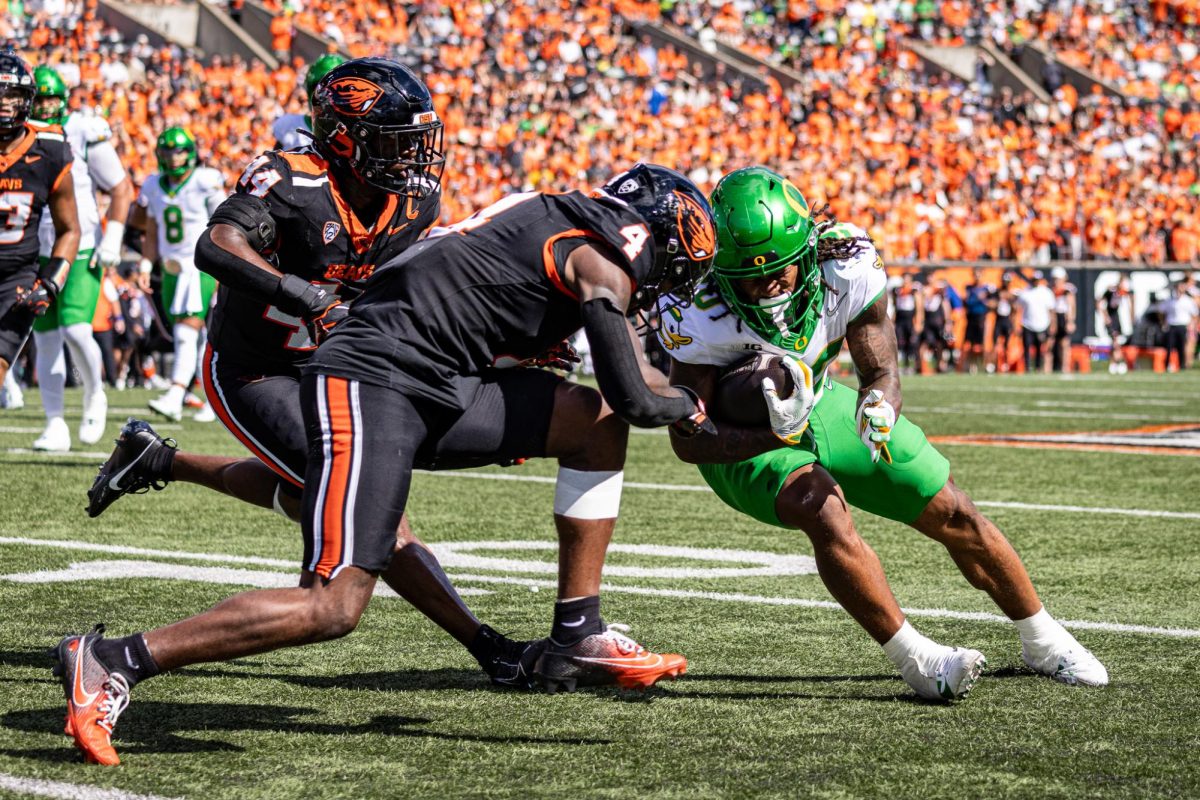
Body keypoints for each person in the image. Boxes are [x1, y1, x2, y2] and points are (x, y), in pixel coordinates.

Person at [56, 160, 712, 765]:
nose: (665, 283)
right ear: (649, 234)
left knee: (592, 426)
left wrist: (683, 397)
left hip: (430, 378)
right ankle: (115, 659)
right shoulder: (602, 257)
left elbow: (626, 385)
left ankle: (575, 633)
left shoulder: (570, 224)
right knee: (334, 605)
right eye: (675, 267)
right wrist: (696, 404)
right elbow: (636, 395)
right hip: (373, 381)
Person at [84, 58, 537, 708]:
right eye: (395, 143)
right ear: (347, 137)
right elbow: (216, 247)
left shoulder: (414, 203)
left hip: (340, 371)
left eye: (416, 144)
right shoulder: (293, 183)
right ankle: (487, 646)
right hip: (255, 368)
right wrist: (307, 296)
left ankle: (160, 459)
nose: (412, 161)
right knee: (370, 516)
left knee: (321, 498)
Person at [660, 167, 1107, 702]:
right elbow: (688, 440)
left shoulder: (845, 263)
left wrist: (879, 406)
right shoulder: (694, 303)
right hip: (741, 439)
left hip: (822, 400)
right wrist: (772, 436)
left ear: (807, 250)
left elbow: (882, 371)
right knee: (820, 505)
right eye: (752, 277)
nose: (770, 286)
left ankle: (1042, 637)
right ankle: (918, 660)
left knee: (952, 508)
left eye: (782, 269)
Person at [28, 65, 134, 450]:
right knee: (46, 339)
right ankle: (54, 422)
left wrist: (115, 237)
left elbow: (121, 188)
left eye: (50, 98)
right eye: (38, 99)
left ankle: (95, 392)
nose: (44, 106)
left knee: (75, 329)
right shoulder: (16, 135)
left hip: (81, 243)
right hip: (33, 247)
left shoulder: (84, 130)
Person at [0, 54, 81, 407]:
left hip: (14, 278)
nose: (4, 103)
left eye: (12, 94)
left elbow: (69, 229)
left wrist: (51, 282)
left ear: (27, 100)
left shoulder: (49, 152)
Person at [134, 127, 226, 422]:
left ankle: (174, 394)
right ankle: (202, 396)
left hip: (199, 265)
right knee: (189, 334)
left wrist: (224, 265)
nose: (174, 158)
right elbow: (151, 230)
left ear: (190, 153)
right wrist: (147, 264)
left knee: (186, 331)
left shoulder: (204, 180)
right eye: (167, 152)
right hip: (170, 267)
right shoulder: (153, 185)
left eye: (180, 152)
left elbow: (225, 224)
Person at [272, 52, 345, 150]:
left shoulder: (351, 135)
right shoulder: (288, 124)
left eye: (335, 89)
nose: (326, 97)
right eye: (320, 88)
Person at [1018, 271, 1055, 373]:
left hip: (1042, 323)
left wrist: (1053, 325)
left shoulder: (1046, 292)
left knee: (1040, 348)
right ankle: (1027, 367)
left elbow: (1051, 310)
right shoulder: (1025, 292)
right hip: (1027, 323)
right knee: (1027, 347)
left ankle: (1039, 367)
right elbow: (1017, 307)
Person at [1161, 281, 1198, 372]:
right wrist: (1163, 322)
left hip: (1183, 326)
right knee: (1169, 346)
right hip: (1172, 325)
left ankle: (1182, 366)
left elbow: (1195, 314)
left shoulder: (1188, 301)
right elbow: (1162, 311)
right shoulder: (1170, 300)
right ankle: (1167, 365)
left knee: (1182, 347)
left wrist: (1192, 325)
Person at [1098, 275, 1131, 374]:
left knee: (1115, 343)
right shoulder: (1111, 291)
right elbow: (1100, 302)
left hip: (1116, 318)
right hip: (1111, 318)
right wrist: (1105, 316)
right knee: (1115, 342)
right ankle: (1120, 362)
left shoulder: (1122, 292)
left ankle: (1113, 363)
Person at [961, 268, 992, 374]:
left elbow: (993, 303)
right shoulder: (969, 288)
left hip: (982, 318)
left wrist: (985, 300)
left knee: (983, 344)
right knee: (970, 344)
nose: (977, 277)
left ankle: (985, 365)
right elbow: (967, 301)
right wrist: (977, 298)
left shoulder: (987, 288)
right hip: (971, 318)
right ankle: (971, 365)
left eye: (979, 274)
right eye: (975, 274)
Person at [891, 271, 921, 374]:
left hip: (910, 318)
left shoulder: (913, 290)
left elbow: (918, 307)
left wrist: (918, 321)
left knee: (912, 342)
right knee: (901, 341)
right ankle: (905, 364)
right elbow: (895, 305)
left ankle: (915, 365)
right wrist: (893, 320)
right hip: (900, 318)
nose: (906, 281)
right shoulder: (898, 290)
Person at [1049, 266, 1076, 373]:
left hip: (1063, 317)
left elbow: (1071, 306)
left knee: (1064, 343)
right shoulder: (1050, 289)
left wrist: (1070, 321)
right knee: (1050, 343)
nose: (1056, 281)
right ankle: (1049, 368)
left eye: (1058, 279)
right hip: (1053, 317)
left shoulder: (1067, 289)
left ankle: (1065, 367)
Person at [992, 271, 1017, 373]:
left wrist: (1009, 299)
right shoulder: (997, 292)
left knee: (1007, 344)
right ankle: (994, 365)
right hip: (999, 319)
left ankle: (1006, 364)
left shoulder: (1012, 293)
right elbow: (991, 304)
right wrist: (999, 299)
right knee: (995, 343)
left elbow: (1015, 309)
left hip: (1007, 320)